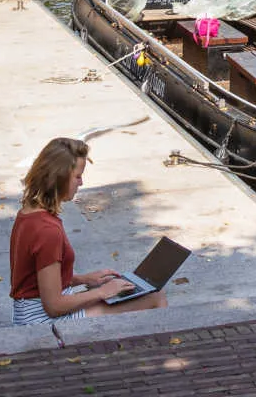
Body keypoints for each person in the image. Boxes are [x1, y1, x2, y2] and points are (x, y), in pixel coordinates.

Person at [10, 137, 168, 324]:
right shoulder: (47, 231)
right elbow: (54, 307)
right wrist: (102, 292)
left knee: (128, 295)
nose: (81, 183)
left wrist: (83, 279)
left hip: (28, 313)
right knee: (155, 297)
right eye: (77, 176)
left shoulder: (29, 214)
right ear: (58, 179)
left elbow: (37, 282)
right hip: (41, 321)